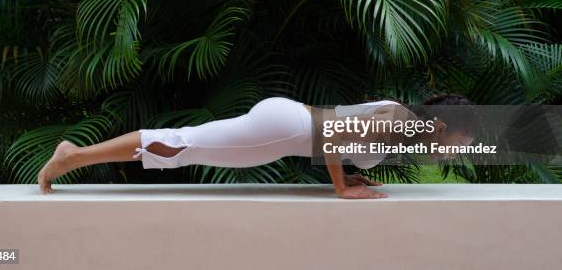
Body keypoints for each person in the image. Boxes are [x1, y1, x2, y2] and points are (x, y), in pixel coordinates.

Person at [37, 94, 475, 198]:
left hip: (284, 126)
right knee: (180, 145)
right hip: (282, 129)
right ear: (440, 125)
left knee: (183, 146)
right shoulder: (401, 122)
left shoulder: (402, 125)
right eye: (458, 144)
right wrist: (341, 190)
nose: (454, 154)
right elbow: (333, 135)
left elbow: (340, 135)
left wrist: (347, 173)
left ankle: (76, 154)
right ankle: (73, 155)